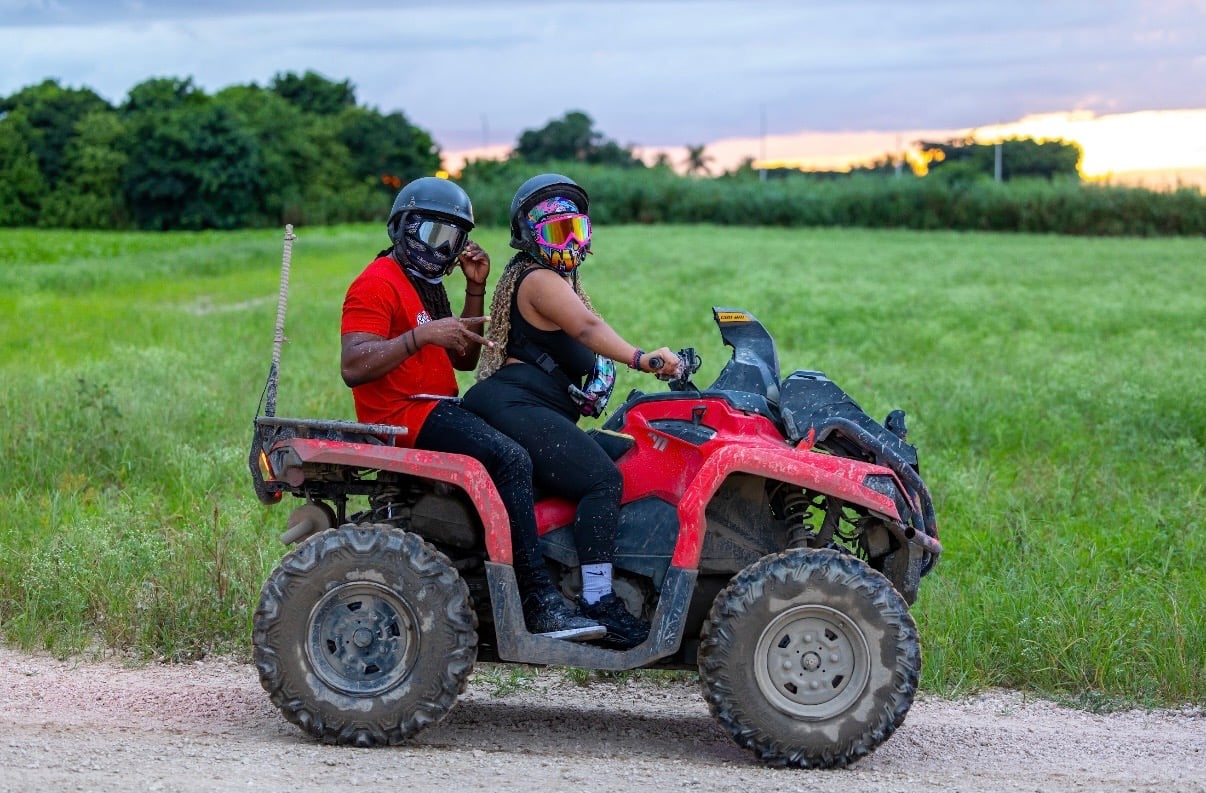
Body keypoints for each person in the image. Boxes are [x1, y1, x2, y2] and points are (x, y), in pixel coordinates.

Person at [340, 175, 604, 642]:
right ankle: (538, 600)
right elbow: (354, 364)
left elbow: (462, 356)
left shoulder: (425, 286)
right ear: (403, 228)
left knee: (526, 446)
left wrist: (475, 288)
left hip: (437, 407)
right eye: (432, 234)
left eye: (453, 238)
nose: (441, 249)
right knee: (512, 458)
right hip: (404, 414)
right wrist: (420, 335)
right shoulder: (375, 283)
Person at [463, 173, 683, 649]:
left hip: (530, 406)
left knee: (626, 451)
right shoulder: (539, 279)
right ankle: (598, 601)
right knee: (603, 479)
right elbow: (586, 328)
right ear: (531, 237)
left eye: (576, 231)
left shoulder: (559, 280)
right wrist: (644, 359)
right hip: (513, 402)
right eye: (556, 232)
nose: (570, 242)